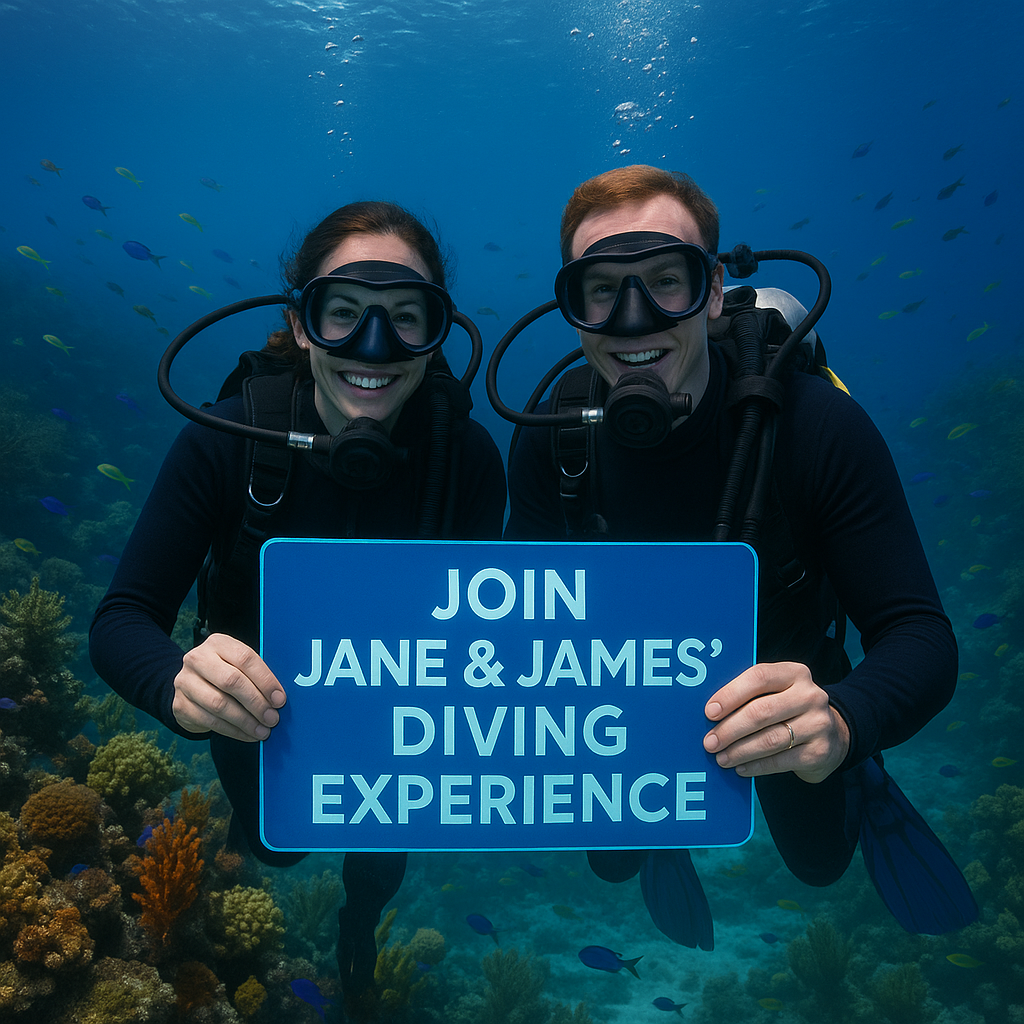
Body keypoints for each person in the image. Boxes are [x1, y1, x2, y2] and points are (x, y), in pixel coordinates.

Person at [501, 165, 976, 940]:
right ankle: (670, 827)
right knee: (610, 861)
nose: (633, 319)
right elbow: (519, 623)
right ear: (572, 308)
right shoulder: (551, 442)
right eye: (601, 289)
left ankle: (865, 782)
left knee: (820, 862)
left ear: (715, 290)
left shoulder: (815, 426)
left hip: (786, 694)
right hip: (624, 703)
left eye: (668, 280)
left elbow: (921, 634)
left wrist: (844, 720)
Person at [90, 201, 507, 1005]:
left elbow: (484, 627)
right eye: (343, 312)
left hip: (402, 718)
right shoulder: (227, 438)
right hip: (261, 714)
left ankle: (359, 926)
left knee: (380, 856)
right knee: (277, 846)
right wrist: (177, 683)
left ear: (437, 333)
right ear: (300, 324)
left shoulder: (469, 460)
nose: (374, 348)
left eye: (405, 317)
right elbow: (120, 620)